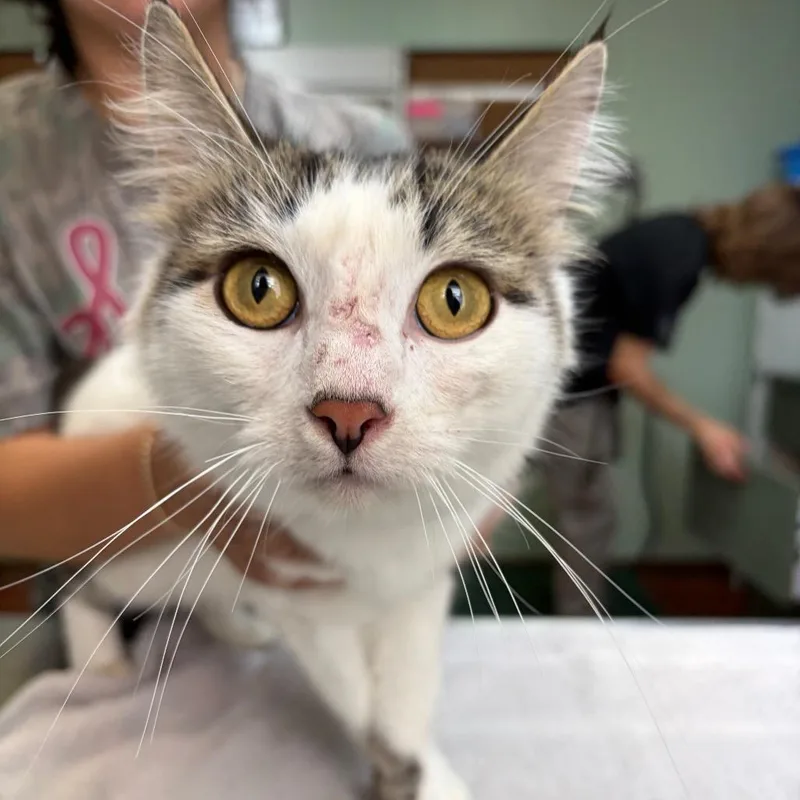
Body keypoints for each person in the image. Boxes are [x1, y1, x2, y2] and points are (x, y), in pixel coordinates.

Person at [0, 0, 413, 596]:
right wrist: (186, 474)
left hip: (343, 595)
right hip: (110, 613)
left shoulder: (368, 142)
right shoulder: (16, 160)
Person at [540, 181, 800, 615]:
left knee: (587, 516)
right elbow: (629, 367)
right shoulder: (676, 258)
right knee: (587, 522)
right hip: (567, 394)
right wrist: (705, 427)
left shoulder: (677, 234)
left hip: (573, 389)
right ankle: (578, 633)